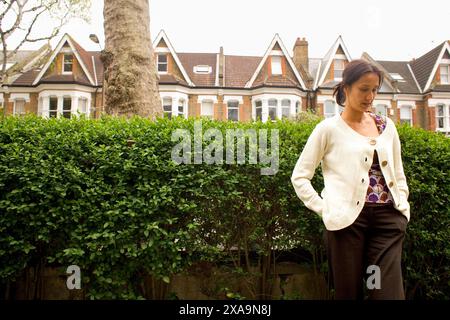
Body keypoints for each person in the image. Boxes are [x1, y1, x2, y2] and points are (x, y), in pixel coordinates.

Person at [290, 59, 410, 300]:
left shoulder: (387, 127)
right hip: (347, 226)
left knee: (382, 291)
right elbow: (300, 176)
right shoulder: (329, 129)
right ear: (346, 88)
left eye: (374, 90)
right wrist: (325, 209)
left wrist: (402, 206)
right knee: (349, 292)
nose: (370, 96)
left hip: (386, 223)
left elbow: (398, 172)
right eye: (363, 89)